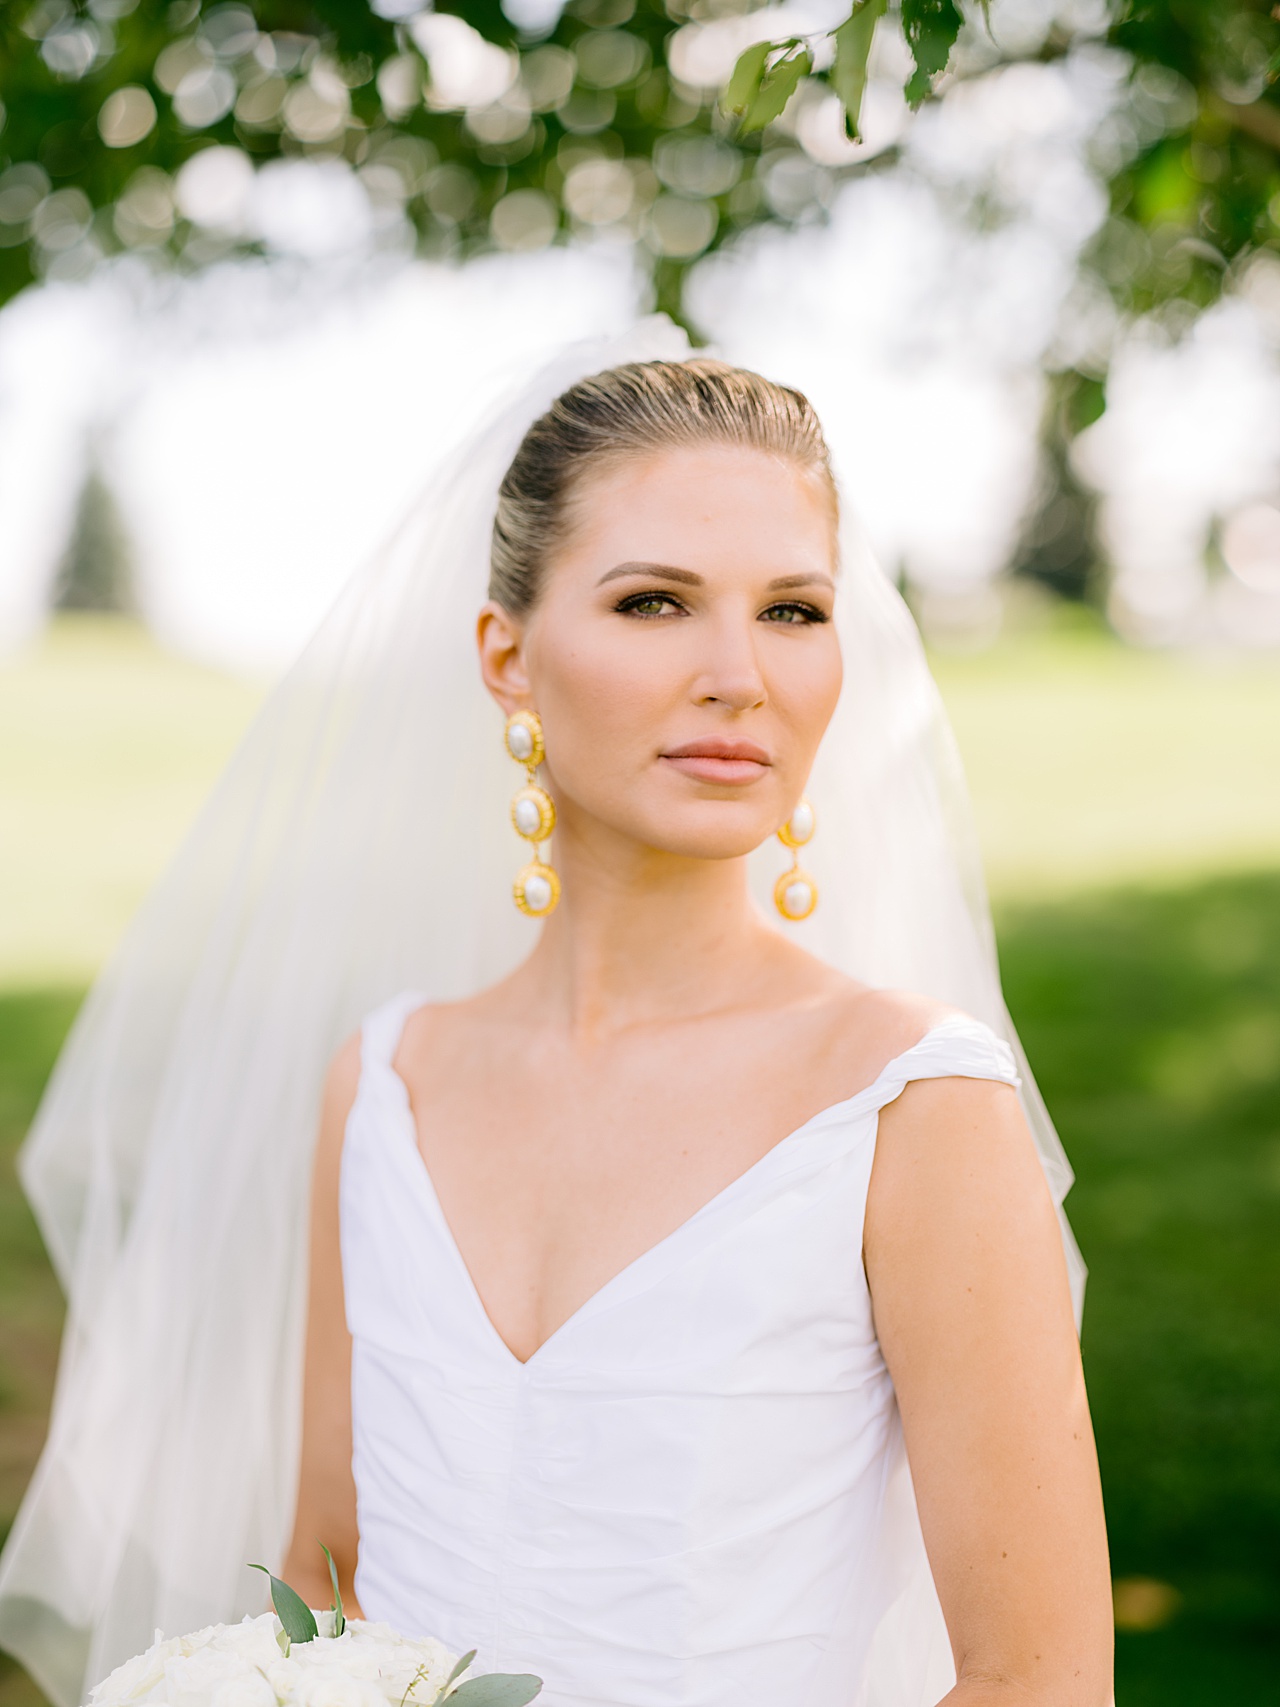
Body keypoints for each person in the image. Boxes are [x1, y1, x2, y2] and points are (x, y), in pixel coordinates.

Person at [0, 329, 1110, 1707]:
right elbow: (332, 1584)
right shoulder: (385, 1084)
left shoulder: (914, 1108)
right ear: (508, 657)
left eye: (793, 610)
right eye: (654, 603)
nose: (737, 674)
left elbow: (1041, 1682)